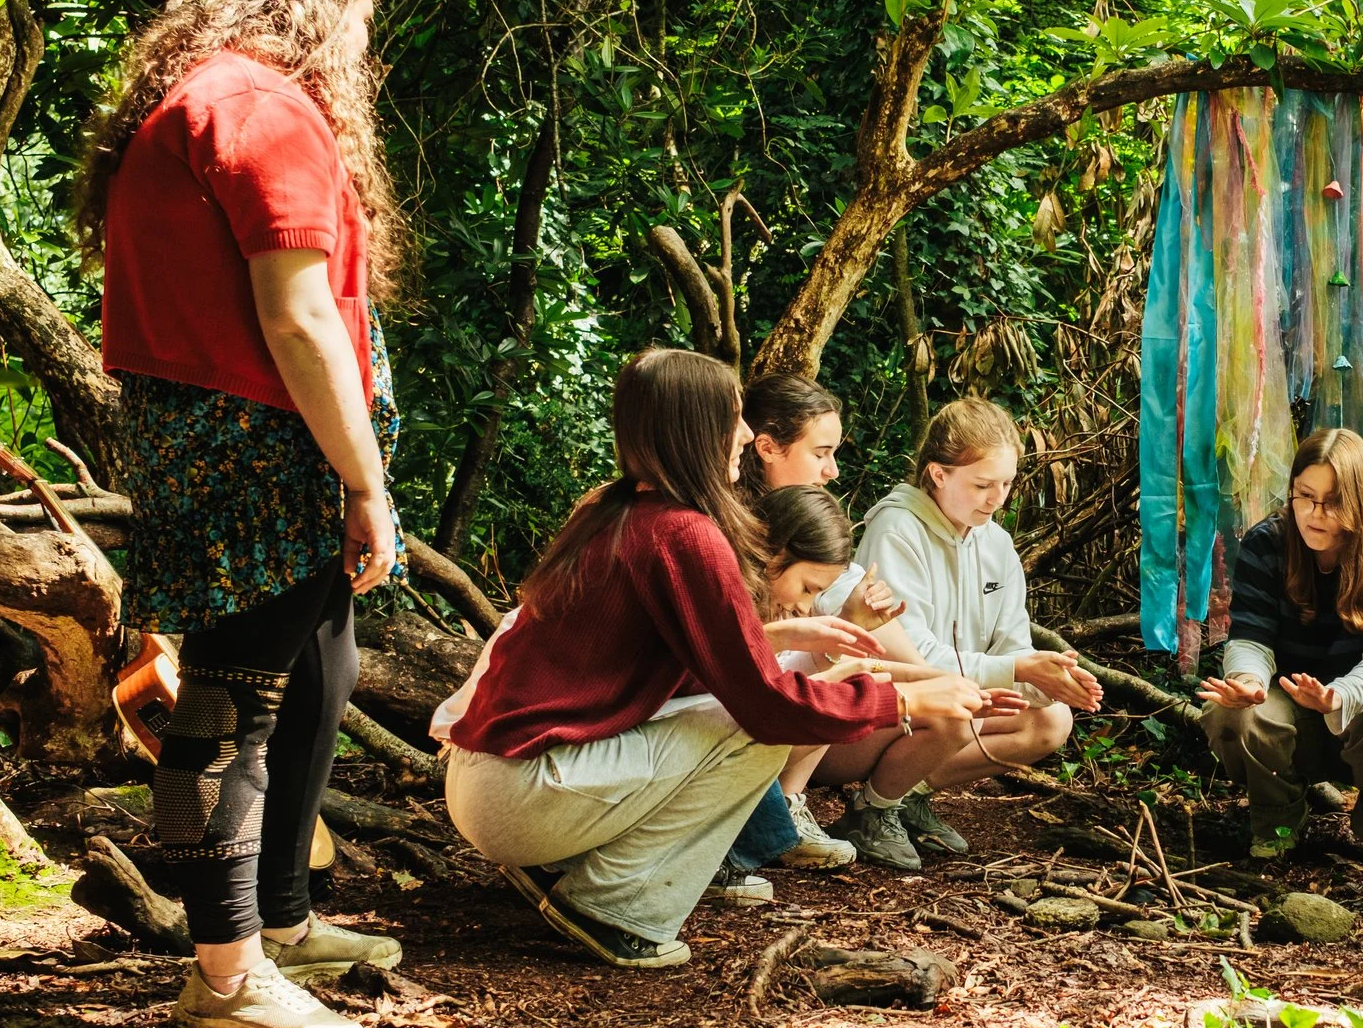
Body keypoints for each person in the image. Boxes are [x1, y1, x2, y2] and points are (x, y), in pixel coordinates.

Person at [82, 0, 407, 1028]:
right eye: (364, 14)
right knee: (228, 706)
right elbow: (297, 313)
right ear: (326, 7)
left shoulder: (208, 90)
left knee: (319, 666)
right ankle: (225, 975)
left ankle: (277, 917)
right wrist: (362, 480)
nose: (366, 41)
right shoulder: (262, 107)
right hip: (260, 440)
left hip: (243, 431)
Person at [442, 349, 988, 969]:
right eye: (733, 417)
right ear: (693, 429)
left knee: (744, 712)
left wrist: (787, 636)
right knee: (755, 732)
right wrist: (904, 700)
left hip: (492, 781)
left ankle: (568, 866)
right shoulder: (686, 532)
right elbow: (765, 708)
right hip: (523, 793)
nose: (747, 434)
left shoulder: (618, 508)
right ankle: (611, 903)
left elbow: (663, 663)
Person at [844, 398, 1103, 868]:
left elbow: (1011, 643)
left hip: (951, 695)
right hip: (880, 703)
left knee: (1050, 719)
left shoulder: (995, 541)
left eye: (1006, 483)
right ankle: (871, 811)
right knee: (957, 709)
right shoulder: (897, 527)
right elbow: (909, 654)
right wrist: (1017, 668)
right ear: (938, 474)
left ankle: (906, 795)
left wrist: (1048, 678)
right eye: (982, 484)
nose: (996, 498)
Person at [1196, 429, 1363, 872]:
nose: (1315, 514)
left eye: (1333, 501)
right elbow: (1250, 635)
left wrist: (1341, 694)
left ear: (1361, 500)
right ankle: (1276, 824)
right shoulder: (1267, 541)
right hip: (1289, 695)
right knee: (1233, 714)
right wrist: (1248, 681)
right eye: (1304, 496)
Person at [723, 374, 918, 873]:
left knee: (846, 665)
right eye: (821, 452)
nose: (831, 470)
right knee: (837, 677)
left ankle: (785, 809)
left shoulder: (807, 532)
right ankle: (759, 826)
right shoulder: (726, 532)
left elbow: (895, 656)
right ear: (765, 447)